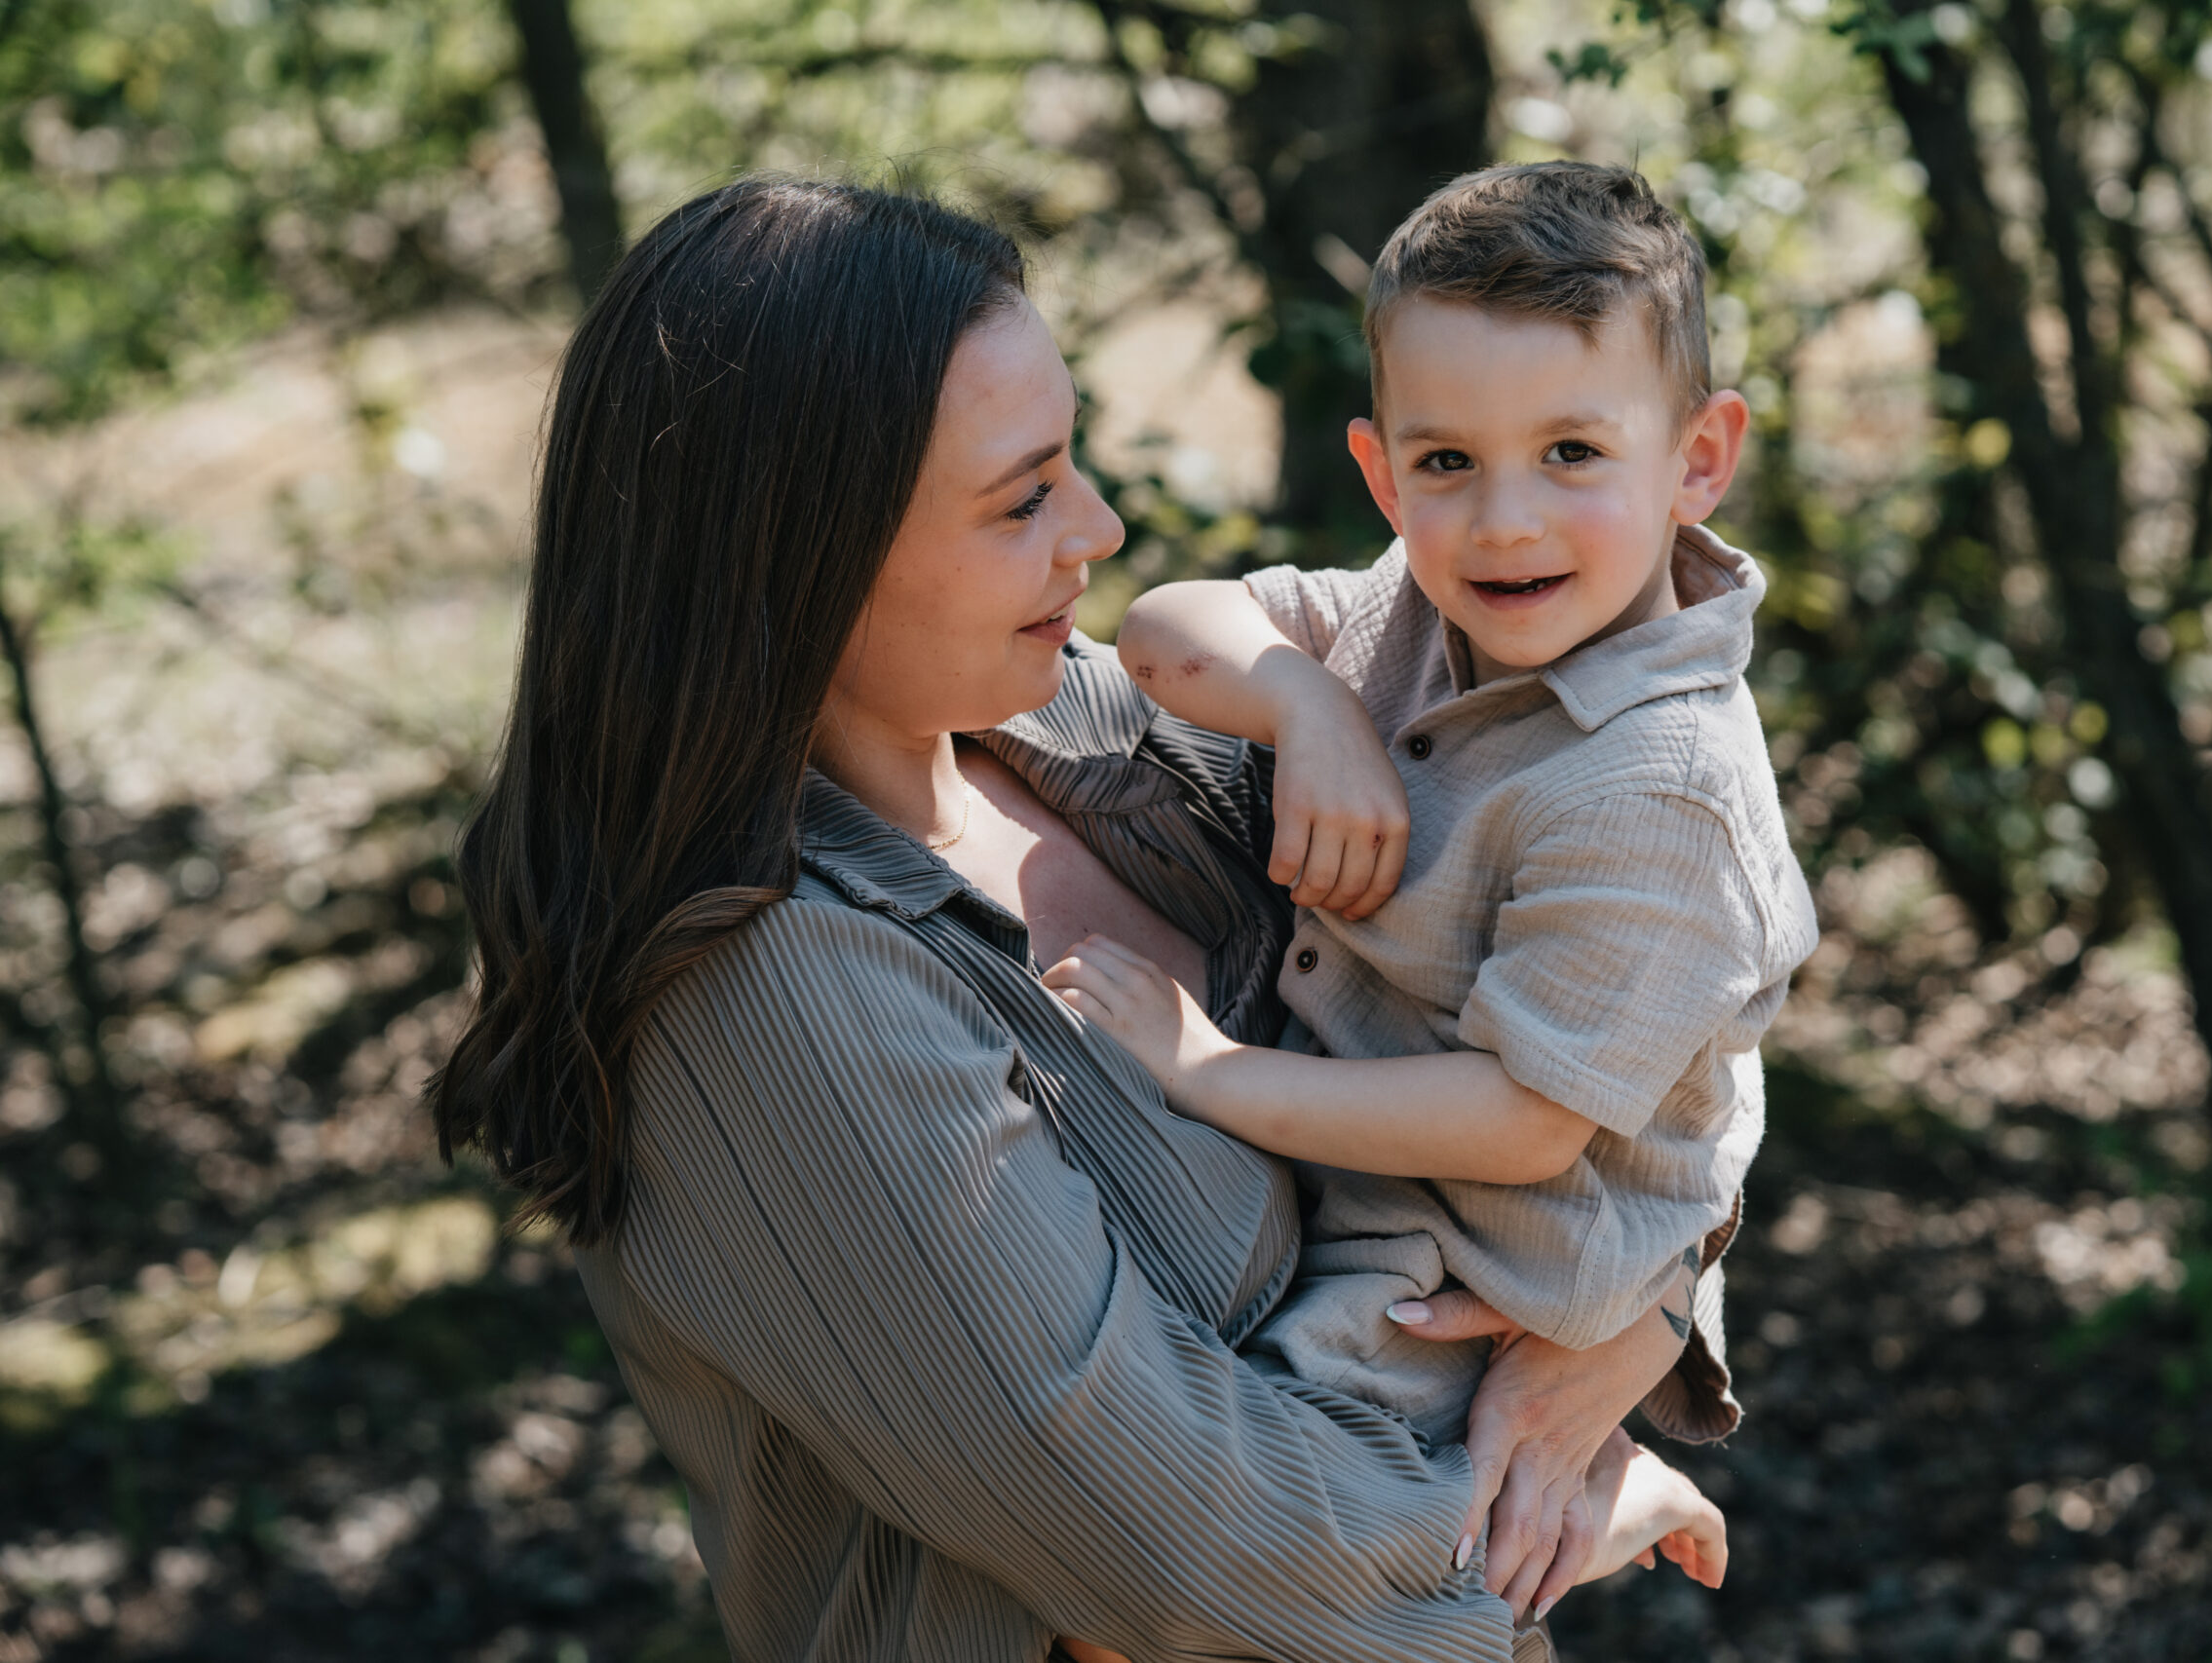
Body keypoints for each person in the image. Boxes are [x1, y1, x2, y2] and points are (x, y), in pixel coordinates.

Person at [428, 175, 1719, 1663]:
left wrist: (1642, 1321)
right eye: (1024, 495)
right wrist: (1537, 1525)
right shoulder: (769, 998)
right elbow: (1171, 1545)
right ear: (801, 557)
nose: (1097, 529)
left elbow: (1641, 979)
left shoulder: (1093, 729)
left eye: (1077, 462)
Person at [1050, 164, 1820, 1597]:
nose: (1504, 521)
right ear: (1382, 470)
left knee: (1229, 1526)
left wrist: (1206, 1072)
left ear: (1700, 459)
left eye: (1574, 454)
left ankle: (1607, 1509)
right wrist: (1307, 704)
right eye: (1449, 463)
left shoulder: (1656, 786)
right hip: (1379, 1171)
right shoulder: (1408, 610)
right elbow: (1157, 631)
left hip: (1496, 1253)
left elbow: (1522, 1122)